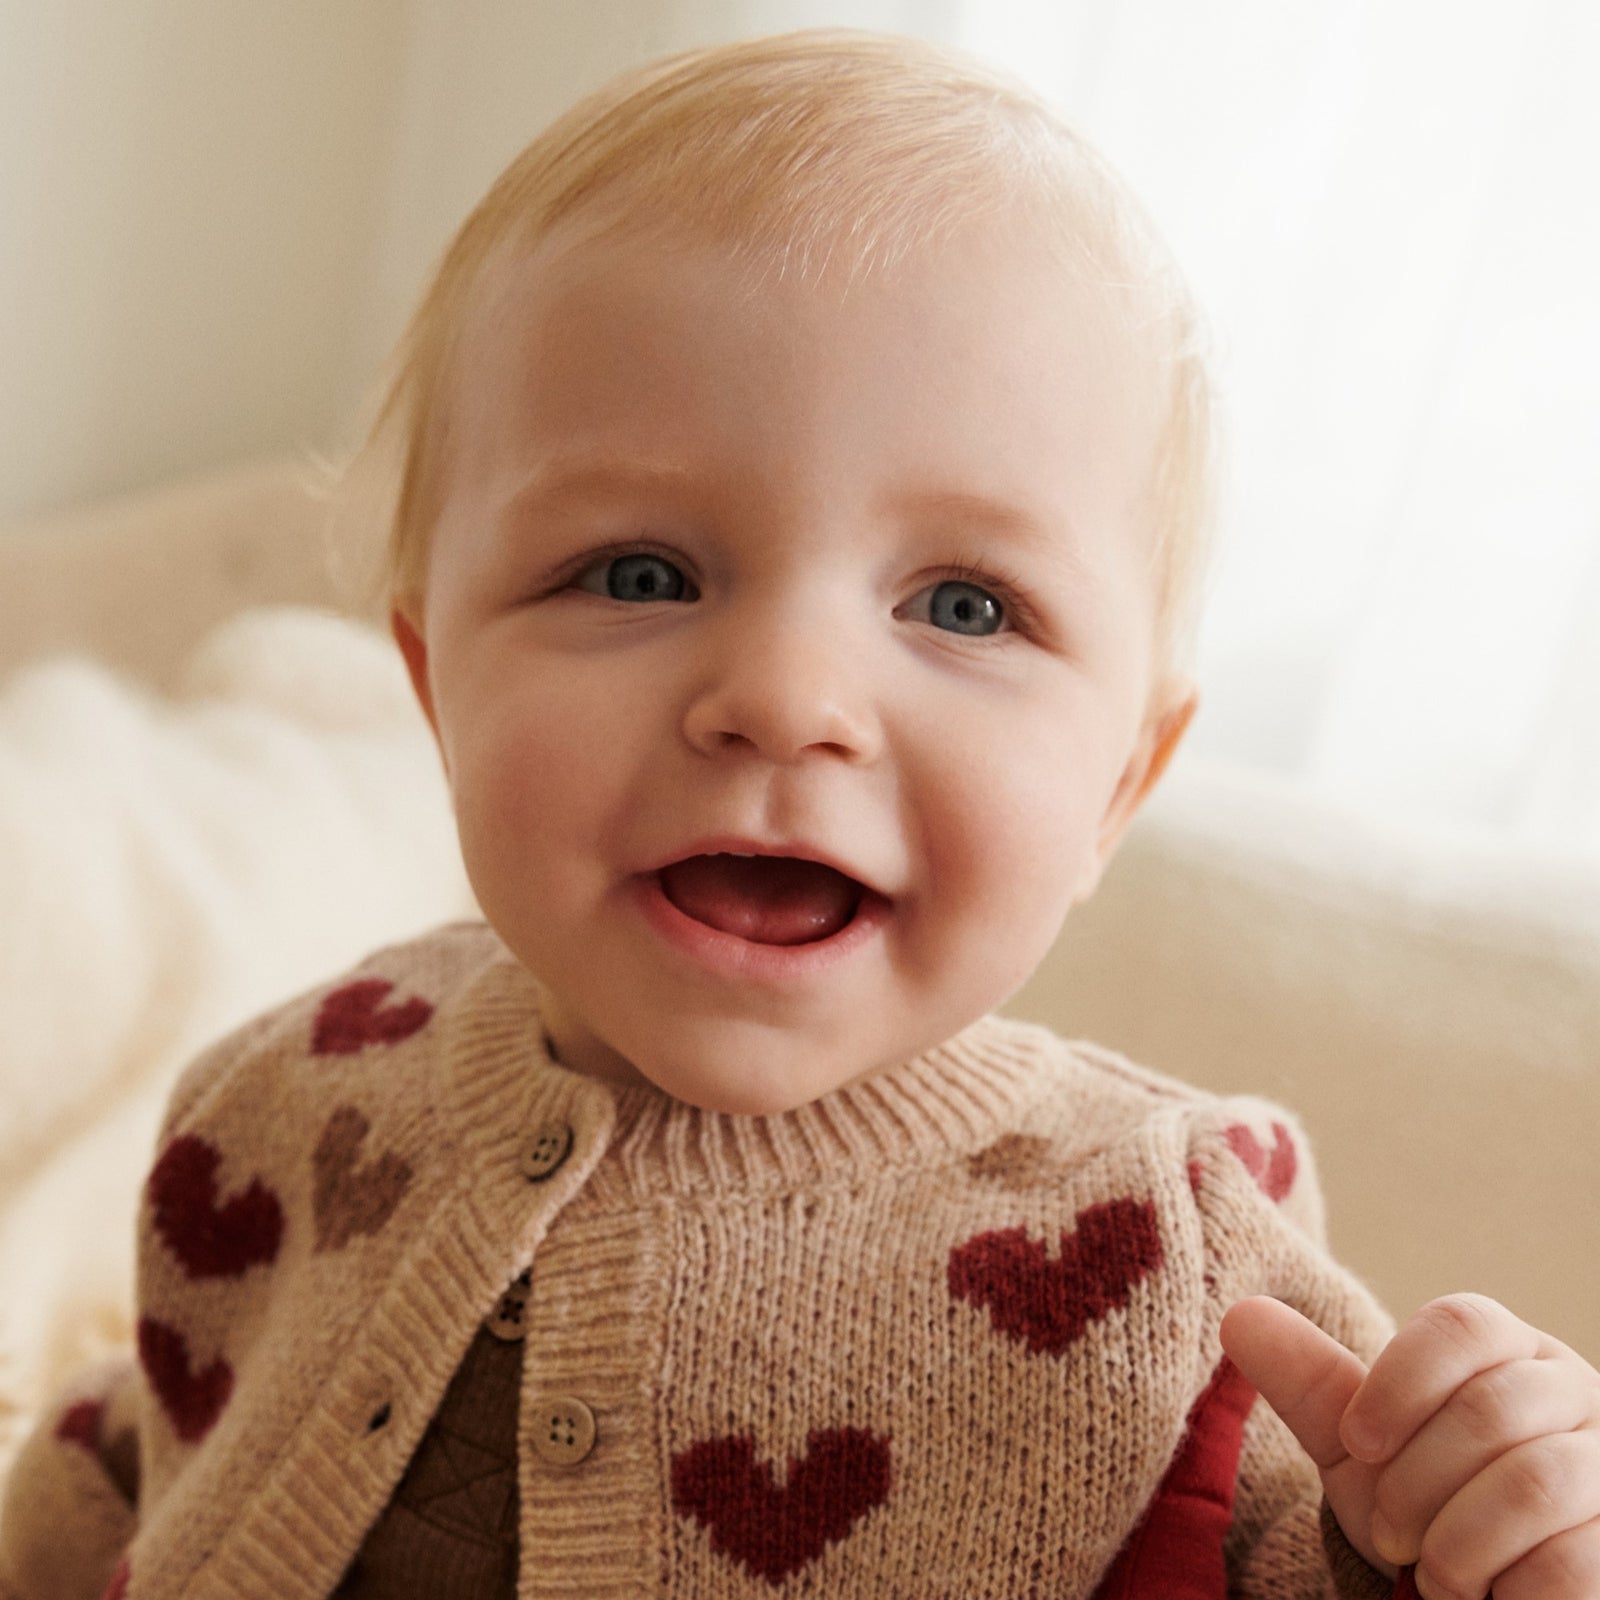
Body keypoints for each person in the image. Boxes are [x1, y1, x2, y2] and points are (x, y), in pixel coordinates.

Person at [3, 29, 1596, 1600]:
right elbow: (152, 1451)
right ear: (435, 689)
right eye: (640, 574)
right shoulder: (294, 1088)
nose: (784, 696)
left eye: (966, 605)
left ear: (1120, 785)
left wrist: (1462, 1537)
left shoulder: (1164, 1265)